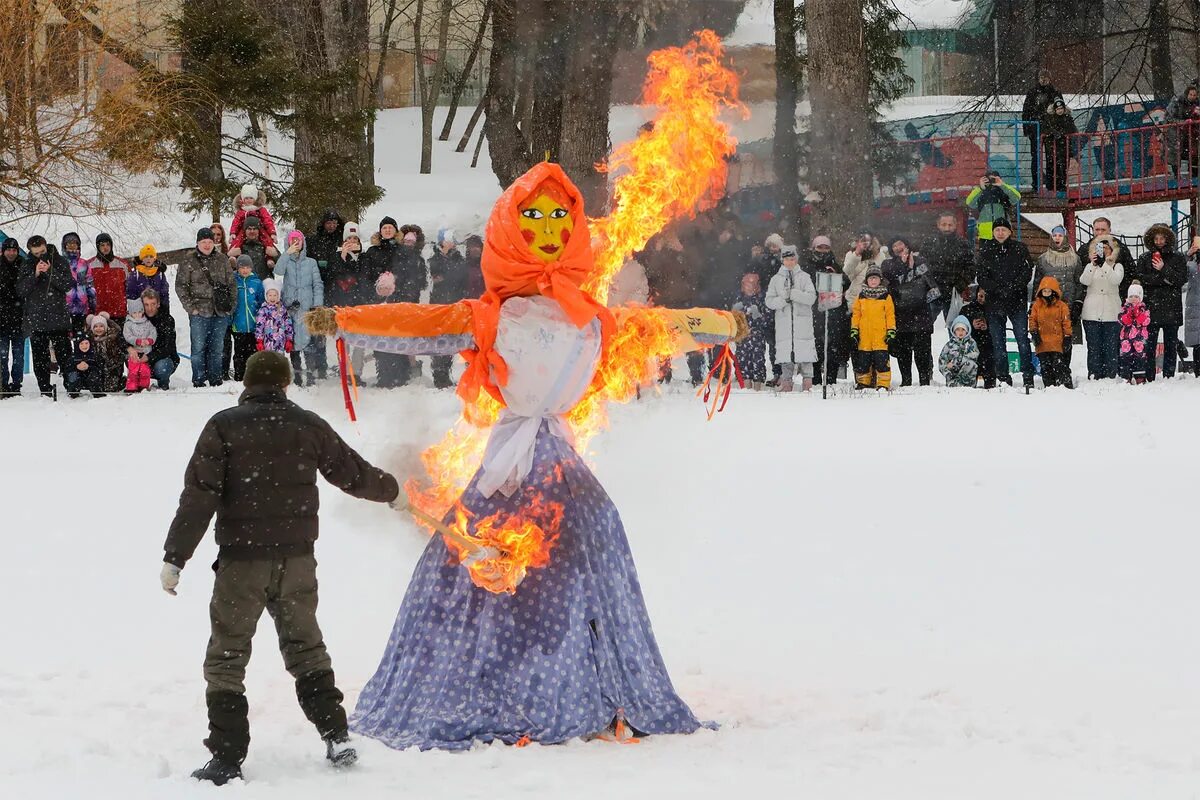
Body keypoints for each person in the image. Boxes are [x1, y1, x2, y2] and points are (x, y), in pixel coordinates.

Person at [307, 162, 738, 752]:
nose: (547, 227)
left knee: (583, 550)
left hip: (557, 459)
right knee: (484, 562)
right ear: (509, 229)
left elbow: (657, 329)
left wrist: (718, 324)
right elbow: (420, 324)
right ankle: (487, 685)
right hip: (510, 460)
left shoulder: (592, 319)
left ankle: (591, 685)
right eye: (532, 216)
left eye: (560, 216)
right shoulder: (490, 316)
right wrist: (346, 320)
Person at [160, 350, 400, 786]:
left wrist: (175, 557)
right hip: (296, 560)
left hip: (241, 563)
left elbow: (198, 497)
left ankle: (227, 756)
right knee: (306, 647)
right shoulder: (306, 425)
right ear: (286, 383)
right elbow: (351, 472)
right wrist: (392, 491)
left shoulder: (224, 426)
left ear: (247, 384)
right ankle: (336, 734)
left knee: (227, 657)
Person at [365, 218, 427, 388]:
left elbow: (410, 273)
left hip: (398, 300)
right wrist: (377, 288)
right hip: (378, 300)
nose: (387, 230)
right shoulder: (372, 251)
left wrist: (397, 284)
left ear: (395, 230)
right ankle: (384, 376)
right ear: (380, 231)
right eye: (384, 227)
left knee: (399, 338)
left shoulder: (401, 250)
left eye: (390, 227)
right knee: (382, 340)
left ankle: (401, 375)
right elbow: (367, 274)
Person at [976, 219, 1035, 387]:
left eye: (1003, 229)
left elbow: (1027, 271)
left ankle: (1028, 376)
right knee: (998, 342)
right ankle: (1003, 376)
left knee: (1022, 339)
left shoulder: (1020, 248)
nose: (1000, 232)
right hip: (994, 303)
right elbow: (981, 276)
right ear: (993, 232)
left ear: (1010, 232)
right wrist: (996, 289)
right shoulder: (986, 250)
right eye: (997, 230)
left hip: (1017, 301)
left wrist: (1012, 287)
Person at [177, 227, 236, 388]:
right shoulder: (188, 261)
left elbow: (232, 285)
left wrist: (230, 308)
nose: (207, 245)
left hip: (220, 311)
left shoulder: (223, 259)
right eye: (204, 242)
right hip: (199, 311)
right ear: (198, 243)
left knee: (217, 348)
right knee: (198, 348)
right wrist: (191, 308)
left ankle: (215, 378)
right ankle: (199, 379)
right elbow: (181, 286)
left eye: (210, 242)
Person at [19, 236, 73, 397]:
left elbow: (67, 285)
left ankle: (72, 386)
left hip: (58, 317)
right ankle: (44, 389)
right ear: (30, 251)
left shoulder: (60, 260)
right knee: (40, 359)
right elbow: (21, 290)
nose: (40, 255)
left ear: (46, 246)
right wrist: (35, 274)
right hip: (37, 319)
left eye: (42, 251)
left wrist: (50, 271)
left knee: (65, 356)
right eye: (36, 253)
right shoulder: (27, 263)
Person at [881, 236, 939, 386]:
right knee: (903, 350)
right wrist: (904, 265)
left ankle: (924, 379)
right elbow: (889, 279)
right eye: (894, 246)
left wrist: (913, 266)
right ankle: (906, 379)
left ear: (906, 245)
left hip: (921, 312)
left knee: (923, 350)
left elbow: (929, 282)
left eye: (900, 244)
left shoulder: (920, 260)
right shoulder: (888, 264)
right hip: (901, 313)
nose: (898, 247)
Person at [1132, 223, 1187, 380]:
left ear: (1167, 238)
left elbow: (1181, 279)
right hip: (1151, 307)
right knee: (1149, 345)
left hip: (1172, 307)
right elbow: (1141, 279)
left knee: (1171, 345)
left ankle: (1169, 376)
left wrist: (1164, 269)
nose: (1159, 241)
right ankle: (1149, 376)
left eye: (1162, 238)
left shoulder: (1177, 257)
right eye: (1156, 238)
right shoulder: (1144, 257)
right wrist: (1164, 279)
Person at [764, 244, 817, 392]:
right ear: (782, 260)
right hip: (784, 324)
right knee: (786, 354)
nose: (790, 262)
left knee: (805, 354)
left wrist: (795, 294)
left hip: (802, 323)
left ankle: (808, 383)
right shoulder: (776, 279)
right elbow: (769, 301)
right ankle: (786, 383)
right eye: (787, 259)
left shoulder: (805, 277)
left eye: (792, 259)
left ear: (796, 259)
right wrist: (783, 300)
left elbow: (811, 297)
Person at [276, 231, 325, 385]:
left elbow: (317, 284)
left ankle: (311, 374)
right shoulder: (285, 261)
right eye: (293, 240)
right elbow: (277, 271)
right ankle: (297, 375)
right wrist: (286, 254)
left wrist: (316, 304)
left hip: (307, 307)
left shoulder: (311, 262)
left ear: (303, 242)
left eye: (299, 240)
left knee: (309, 341)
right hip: (291, 307)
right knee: (293, 341)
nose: (296, 243)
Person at [1034, 225, 1084, 367]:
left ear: (1065, 237)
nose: (1057, 238)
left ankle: (1064, 370)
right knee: (1048, 339)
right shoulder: (1043, 259)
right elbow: (1038, 283)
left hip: (1068, 305)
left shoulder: (1075, 259)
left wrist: (1078, 302)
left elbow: (1079, 282)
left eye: (1060, 235)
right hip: (1047, 306)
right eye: (1054, 235)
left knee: (1066, 340)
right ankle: (1049, 372)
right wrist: (1034, 304)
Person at [804, 235, 850, 385]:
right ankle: (816, 378)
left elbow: (846, 283)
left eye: (826, 247)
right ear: (814, 248)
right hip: (815, 310)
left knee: (833, 346)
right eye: (820, 247)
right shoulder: (807, 265)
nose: (823, 251)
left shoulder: (834, 264)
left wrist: (835, 276)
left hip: (834, 311)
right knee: (816, 345)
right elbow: (806, 284)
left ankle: (831, 379)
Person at [428, 229, 470, 388]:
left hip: (457, 303)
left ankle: (463, 375)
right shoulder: (434, 259)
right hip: (439, 305)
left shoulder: (460, 259)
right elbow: (435, 278)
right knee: (440, 341)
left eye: (452, 240)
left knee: (459, 341)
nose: (450, 243)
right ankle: (440, 376)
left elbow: (459, 277)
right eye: (447, 240)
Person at [1079, 235, 1125, 379]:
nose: (1104, 251)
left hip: (1111, 312)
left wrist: (1105, 264)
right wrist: (1093, 265)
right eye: (1101, 249)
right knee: (1094, 347)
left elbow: (1115, 280)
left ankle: (1111, 374)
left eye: (1107, 249)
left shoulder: (1117, 266)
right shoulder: (1089, 266)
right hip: (1091, 312)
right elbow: (1084, 280)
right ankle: (1094, 374)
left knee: (1111, 347)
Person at [920, 212, 974, 324]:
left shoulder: (963, 244)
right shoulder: (928, 243)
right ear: (938, 225)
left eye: (950, 225)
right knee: (923, 329)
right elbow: (921, 267)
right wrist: (929, 286)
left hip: (953, 293)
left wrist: (959, 286)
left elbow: (971, 268)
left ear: (955, 225)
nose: (947, 228)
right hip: (932, 292)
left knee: (956, 329)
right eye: (944, 224)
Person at [850, 265, 895, 390]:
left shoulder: (886, 296)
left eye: (875, 278)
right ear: (866, 281)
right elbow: (856, 315)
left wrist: (891, 331)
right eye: (871, 279)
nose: (873, 281)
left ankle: (883, 383)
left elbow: (890, 315)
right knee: (864, 362)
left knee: (882, 362)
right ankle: (863, 382)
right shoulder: (861, 297)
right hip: (864, 336)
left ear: (880, 280)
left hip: (880, 336)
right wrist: (854, 330)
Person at [1021, 68, 1064, 191]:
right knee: (1035, 157)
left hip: (1050, 129)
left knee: (1052, 156)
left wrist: (1058, 127)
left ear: (1050, 79)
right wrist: (1027, 129)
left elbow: (1061, 110)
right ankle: (1036, 184)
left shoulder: (1055, 92)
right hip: (1035, 129)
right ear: (1038, 79)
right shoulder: (1032, 92)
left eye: (1045, 77)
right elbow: (1026, 111)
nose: (1043, 80)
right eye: (1041, 78)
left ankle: (1051, 183)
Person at [1028, 276, 1073, 387]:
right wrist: (1034, 333)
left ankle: (1064, 384)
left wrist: (1067, 336)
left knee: (1059, 365)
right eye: (1044, 291)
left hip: (1057, 342)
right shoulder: (1036, 306)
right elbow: (1032, 319)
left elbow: (1066, 322)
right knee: (1045, 366)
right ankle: (1049, 386)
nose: (1046, 293)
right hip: (1042, 342)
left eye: (1049, 291)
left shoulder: (1061, 306)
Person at [731, 271, 770, 390]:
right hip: (742, 337)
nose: (750, 287)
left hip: (757, 336)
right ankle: (746, 386)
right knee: (743, 361)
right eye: (747, 284)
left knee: (758, 360)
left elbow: (767, 319)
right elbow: (732, 320)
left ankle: (758, 386)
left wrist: (758, 315)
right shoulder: (739, 297)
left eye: (753, 284)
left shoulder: (762, 298)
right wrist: (734, 312)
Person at [230, 255, 264, 382]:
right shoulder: (233, 281)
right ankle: (239, 375)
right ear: (237, 268)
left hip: (253, 325)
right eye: (242, 267)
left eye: (247, 267)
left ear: (251, 268)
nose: (245, 270)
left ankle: (252, 376)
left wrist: (260, 320)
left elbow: (261, 302)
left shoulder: (256, 282)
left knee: (253, 352)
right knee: (239, 353)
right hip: (239, 325)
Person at [87, 233, 130, 324]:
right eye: (102, 245)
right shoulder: (89, 265)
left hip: (119, 312)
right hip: (99, 314)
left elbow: (130, 287)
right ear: (98, 247)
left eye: (108, 244)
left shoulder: (123, 264)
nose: (105, 247)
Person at [965, 171, 1020, 241]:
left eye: (994, 179)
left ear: (999, 179)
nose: (992, 182)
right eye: (989, 179)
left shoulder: (1003, 192)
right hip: (985, 234)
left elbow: (1017, 197)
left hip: (1002, 233)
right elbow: (969, 202)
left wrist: (1002, 185)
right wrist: (980, 188)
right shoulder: (981, 192)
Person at [0, 237, 24, 396]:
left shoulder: (23, 264)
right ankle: (2, 383)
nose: (11, 253)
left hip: (19, 318)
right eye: (8, 249)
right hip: (1, 319)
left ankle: (16, 384)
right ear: (3, 251)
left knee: (18, 355)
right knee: (1, 355)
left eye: (14, 250)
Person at [142, 288, 178, 390]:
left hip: (163, 358)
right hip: (143, 355)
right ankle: (139, 384)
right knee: (131, 358)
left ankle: (163, 384)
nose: (150, 308)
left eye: (153, 304)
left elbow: (168, 348)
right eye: (146, 305)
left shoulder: (167, 320)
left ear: (158, 304)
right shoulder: (137, 319)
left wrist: (149, 357)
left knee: (162, 367)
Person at [961, 284, 996, 388]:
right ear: (976, 295)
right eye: (981, 296)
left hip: (988, 345)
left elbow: (999, 327)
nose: (983, 299)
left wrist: (988, 326)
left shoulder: (993, 309)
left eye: (985, 296)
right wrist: (972, 324)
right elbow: (959, 327)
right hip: (971, 345)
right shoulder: (966, 309)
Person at [228, 183, 279, 254]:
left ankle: (270, 255)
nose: (249, 200)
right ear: (243, 199)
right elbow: (236, 222)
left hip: (259, 228)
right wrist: (233, 233)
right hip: (244, 230)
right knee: (238, 240)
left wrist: (272, 233)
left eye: (251, 198)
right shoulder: (242, 211)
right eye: (246, 198)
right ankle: (233, 253)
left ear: (255, 199)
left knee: (266, 240)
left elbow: (268, 221)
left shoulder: (260, 209)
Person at [61, 232, 95, 334]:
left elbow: (90, 284)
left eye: (74, 244)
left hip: (81, 307)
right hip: (64, 307)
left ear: (78, 246)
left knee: (80, 338)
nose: (72, 246)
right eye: (69, 244)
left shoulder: (84, 263)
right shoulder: (61, 263)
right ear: (64, 246)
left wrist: (92, 304)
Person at [843, 231, 888, 307]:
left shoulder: (880, 255)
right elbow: (847, 272)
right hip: (855, 298)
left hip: (875, 298)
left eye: (867, 241)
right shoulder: (851, 254)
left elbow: (883, 275)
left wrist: (875, 252)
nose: (865, 243)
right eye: (862, 241)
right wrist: (857, 254)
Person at [1041, 98, 1077, 192]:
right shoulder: (1050, 119)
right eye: (1058, 109)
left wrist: (1061, 133)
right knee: (1053, 166)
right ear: (1054, 110)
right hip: (1053, 147)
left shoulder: (1067, 118)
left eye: (1061, 108)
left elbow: (1072, 129)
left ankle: (1061, 185)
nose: (1060, 110)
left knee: (1063, 167)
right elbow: (1045, 129)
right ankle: (1051, 185)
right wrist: (1052, 133)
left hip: (1064, 147)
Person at [1119, 282, 1151, 383]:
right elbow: (1121, 319)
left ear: (1140, 297)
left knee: (1139, 356)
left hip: (1139, 337)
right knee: (1126, 356)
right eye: (1131, 296)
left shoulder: (1143, 308)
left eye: (1136, 296)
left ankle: (1139, 376)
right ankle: (1126, 376)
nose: (1133, 299)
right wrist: (1128, 315)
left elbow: (1146, 320)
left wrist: (1138, 319)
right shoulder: (1125, 308)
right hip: (1126, 337)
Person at [1166, 84, 1200, 179]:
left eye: (1194, 95)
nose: (1193, 97)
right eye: (1191, 95)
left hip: (1191, 131)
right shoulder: (1177, 101)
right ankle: (1177, 175)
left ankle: (1194, 175)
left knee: (1193, 152)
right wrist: (1183, 122)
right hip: (1175, 130)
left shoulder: (1197, 103)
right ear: (1186, 94)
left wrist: (1196, 116)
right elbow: (1169, 118)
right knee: (1176, 151)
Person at [88, 311, 126, 394]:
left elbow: (118, 355)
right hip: (97, 367)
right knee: (97, 386)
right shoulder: (90, 340)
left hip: (113, 366)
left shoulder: (112, 337)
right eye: (96, 326)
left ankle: (120, 380)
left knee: (111, 388)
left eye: (101, 326)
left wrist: (111, 366)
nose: (99, 329)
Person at [122, 298, 155, 393]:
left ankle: (143, 386)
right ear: (130, 313)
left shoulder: (147, 323)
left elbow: (153, 332)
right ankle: (131, 387)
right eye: (134, 313)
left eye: (139, 312)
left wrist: (150, 340)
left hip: (145, 352)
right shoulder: (128, 324)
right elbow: (127, 336)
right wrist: (137, 341)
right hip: (134, 353)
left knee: (145, 370)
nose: (137, 315)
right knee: (134, 370)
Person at [126, 244, 171, 312]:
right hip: (141, 311)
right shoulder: (136, 274)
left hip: (157, 310)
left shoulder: (160, 273)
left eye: (151, 256)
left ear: (154, 258)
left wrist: (165, 309)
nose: (148, 259)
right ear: (142, 258)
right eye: (146, 256)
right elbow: (131, 293)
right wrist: (138, 309)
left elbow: (164, 293)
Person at [64, 325, 105, 398]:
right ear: (77, 345)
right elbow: (66, 370)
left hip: (90, 380)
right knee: (73, 375)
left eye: (86, 343)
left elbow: (100, 368)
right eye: (81, 344)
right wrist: (76, 367)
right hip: (78, 381)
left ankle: (97, 392)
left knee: (94, 375)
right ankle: (73, 392)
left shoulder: (94, 356)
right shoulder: (73, 357)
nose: (84, 346)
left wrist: (89, 367)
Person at [938, 315, 980, 387]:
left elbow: (975, 354)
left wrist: (960, 360)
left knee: (971, 364)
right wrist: (947, 368)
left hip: (968, 376)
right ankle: (954, 383)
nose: (960, 332)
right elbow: (942, 361)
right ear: (954, 331)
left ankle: (967, 384)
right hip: (953, 375)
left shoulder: (971, 343)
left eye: (963, 329)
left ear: (967, 331)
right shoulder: (949, 345)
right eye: (958, 329)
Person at [255, 277, 293, 353]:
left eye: (275, 295)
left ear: (278, 296)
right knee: (269, 361)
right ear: (266, 296)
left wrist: (289, 339)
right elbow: (259, 325)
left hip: (280, 343)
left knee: (279, 361)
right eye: (270, 295)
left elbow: (288, 324)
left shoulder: (282, 309)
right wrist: (259, 340)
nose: (272, 298)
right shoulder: (263, 310)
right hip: (267, 343)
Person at [237, 215, 275, 280]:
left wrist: (275, 255)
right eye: (249, 229)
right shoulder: (238, 246)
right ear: (245, 230)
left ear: (259, 230)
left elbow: (282, 266)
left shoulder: (266, 244)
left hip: (264, 284)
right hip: (244, 285)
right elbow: (226, 267)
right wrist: (229, 255)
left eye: (254, 229)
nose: (252, 231)